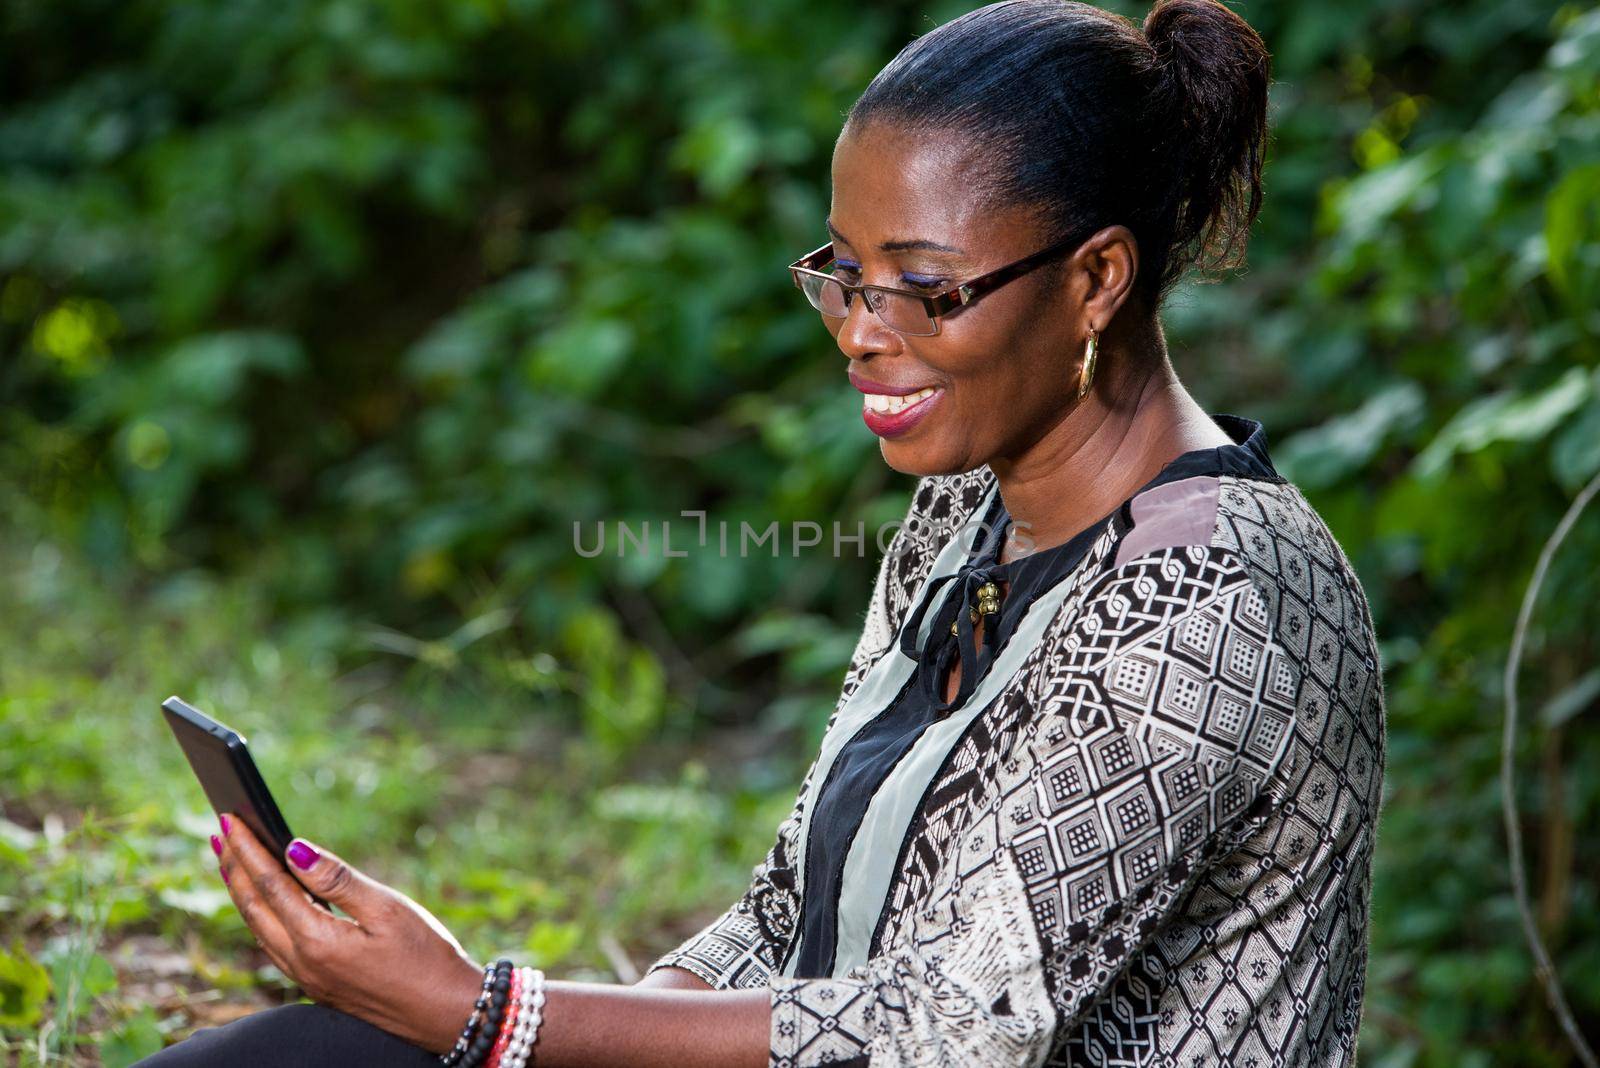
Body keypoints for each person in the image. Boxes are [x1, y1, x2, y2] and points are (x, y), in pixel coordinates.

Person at [137, 0, 1387, 1064]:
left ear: (1097, 280)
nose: (857, 328)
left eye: (926, 287)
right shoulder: (967, 507)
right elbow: (790, 917)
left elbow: (946, 1033)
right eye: (843, 272)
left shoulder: (1226, 599)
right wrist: (485, 1022)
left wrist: (494, 1016)